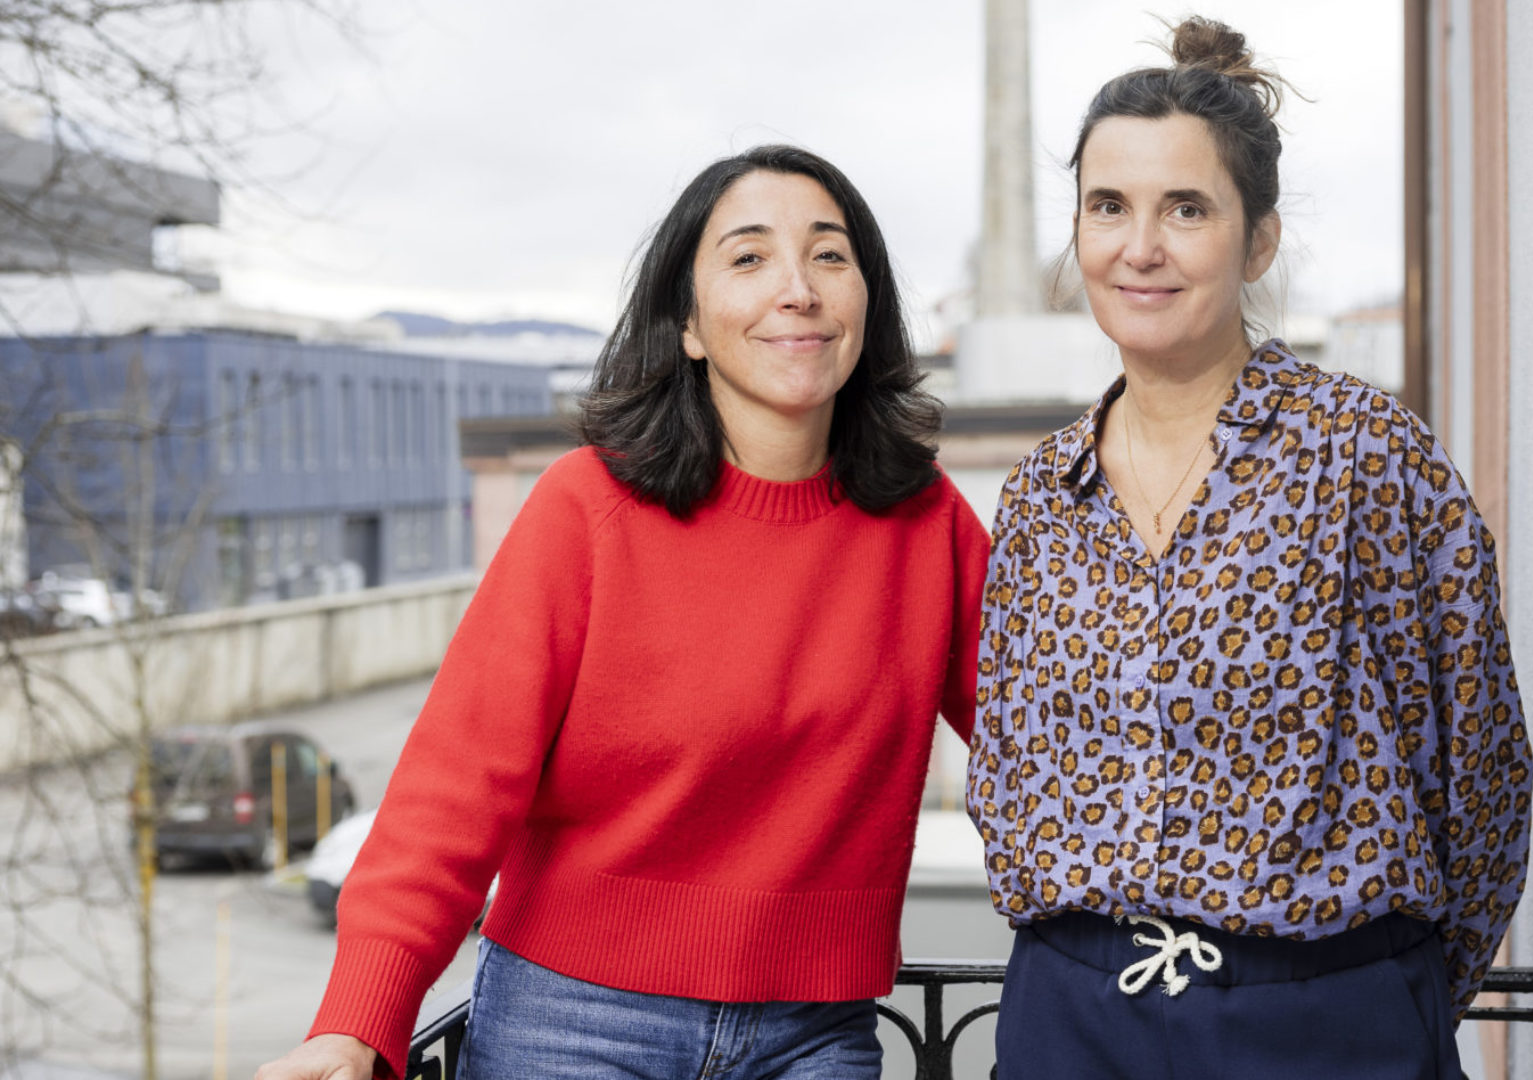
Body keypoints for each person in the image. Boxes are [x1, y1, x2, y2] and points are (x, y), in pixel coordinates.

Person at [257, 145, 988, 1080]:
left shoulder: (927, 526)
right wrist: (362, 1016)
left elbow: (1055, 742)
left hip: (814, 1032)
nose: (797, 288)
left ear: (867, 305)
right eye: (749, 257)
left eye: (830, 255)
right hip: (573, 1023)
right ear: (687, 324)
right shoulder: (586, 508)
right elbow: (456, 784)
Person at [966, 17, 1532, 1079]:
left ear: (1257, 239)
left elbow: (1483, 774)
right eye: (1108, 208)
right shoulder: (1044, 492)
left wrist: (1383, 995)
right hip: (1072, 1019)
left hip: (1323, 1021)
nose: (1141, 247)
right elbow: (1006, 770)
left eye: (1187, 209)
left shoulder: (1365, 456)